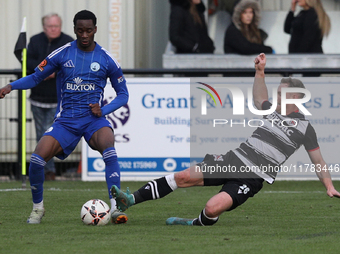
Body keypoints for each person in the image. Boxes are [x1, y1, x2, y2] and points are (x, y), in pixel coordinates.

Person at [111, 53, 340, 226]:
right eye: (278, 92)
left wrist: (328, 186)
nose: (277, 95)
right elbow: (260, 99)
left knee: (212, 208)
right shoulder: (272, 110)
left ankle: (194, 224)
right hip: (234, 158)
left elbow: (318, 162)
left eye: (282, 93)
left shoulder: (305, 128)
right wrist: (260, 72)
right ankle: (130, 199)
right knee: (182, 176)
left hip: (253, 177)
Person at [0, 10, 129, 224]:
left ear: (95, 29)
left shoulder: (107, 59)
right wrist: (10, 86)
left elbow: (124, 94)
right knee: (36, 159)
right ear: (75, 30)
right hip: (66, 121)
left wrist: (103, 110)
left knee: (109, 146)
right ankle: (37, 209)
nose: (85, 34)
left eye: (89, 30)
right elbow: (35, 77)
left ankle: (115, 208)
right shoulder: (62, 53)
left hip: (93, 120)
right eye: (80, 30)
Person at [27, 13, 73, 181]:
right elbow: (27, 61)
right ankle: (45, 169)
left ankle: (48, 169)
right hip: (38, 98)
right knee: (41, 134)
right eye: (50, 26)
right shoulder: (34, 41)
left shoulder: (68, 42)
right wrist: (43, 70)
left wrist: (56, 71)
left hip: (60, 100)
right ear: (44, 27)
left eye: (57, 26)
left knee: (52, 135)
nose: (54, 29)